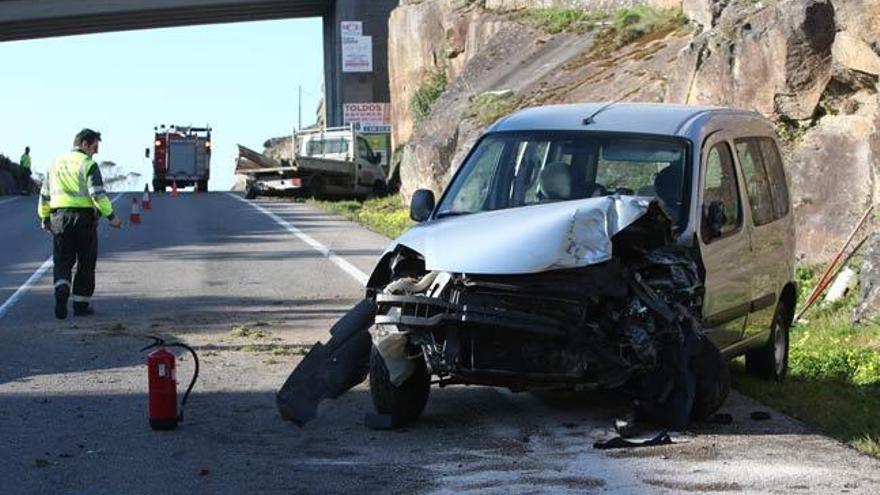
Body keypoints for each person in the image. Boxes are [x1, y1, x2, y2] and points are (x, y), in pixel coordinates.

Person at [38, 129, 122, 319]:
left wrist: (44, 218)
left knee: (62, 260)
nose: (96, 152)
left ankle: (61, 289)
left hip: (59, 218)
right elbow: (97, 194)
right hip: (84, 219)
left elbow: (45, 194)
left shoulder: (54, 164)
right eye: (95, 147)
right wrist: (111, 217)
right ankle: (80, 305)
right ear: (84, 144)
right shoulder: (88, 164)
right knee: (86, 261)